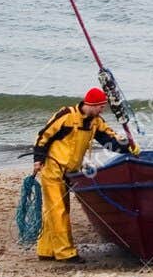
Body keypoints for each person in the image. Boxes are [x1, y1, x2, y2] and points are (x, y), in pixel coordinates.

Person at [31, 86, 137, 262]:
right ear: (92, 104)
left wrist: (128, 147)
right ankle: (65, 253)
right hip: (53, 168)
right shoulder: (66, 115)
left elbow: (110, 141)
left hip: (71, 172)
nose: (102, 110)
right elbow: (43, 136)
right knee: (58, 210)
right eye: (101, 106)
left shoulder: (96, 122)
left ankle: (46, 250)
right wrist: (38, 159)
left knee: (54, 210)